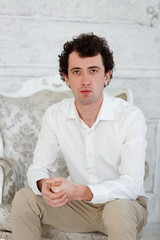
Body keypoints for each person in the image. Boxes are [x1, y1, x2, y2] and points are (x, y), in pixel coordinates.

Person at [11, 33, 148, 240]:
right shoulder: (55, 114)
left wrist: (81, 191)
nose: (85, 80)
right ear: (67, 79)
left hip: (124, 205)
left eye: (93, 71)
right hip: (78, 207)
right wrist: (43, 185)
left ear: (107, 76)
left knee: (118, 209)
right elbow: (38, 167)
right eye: (77, 72)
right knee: (24, 198)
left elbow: (132, 185)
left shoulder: (130, 116)